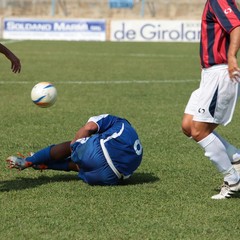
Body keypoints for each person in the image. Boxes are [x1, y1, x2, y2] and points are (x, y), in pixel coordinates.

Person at [182, 0, 240, 199]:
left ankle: (233, 180)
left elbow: (237, 25)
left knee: (199, 130)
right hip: (208, 75)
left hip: (220, 72)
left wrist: (232, 56)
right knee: (188, 126)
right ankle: (236, 158)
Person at [6, 114, 143, 186]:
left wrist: (75, 145)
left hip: (97, 153)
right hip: (109, 177)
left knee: (73, 146)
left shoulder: (115, 121)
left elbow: (89, 128)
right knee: (83, 163)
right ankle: (47, 165)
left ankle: (29, 161)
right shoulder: (127, 134)